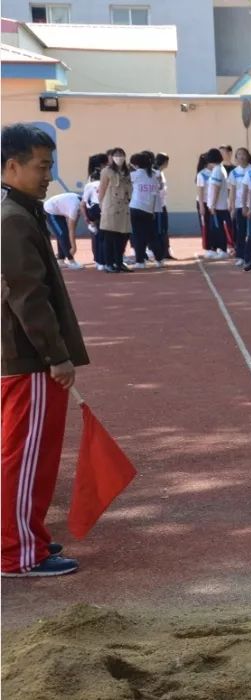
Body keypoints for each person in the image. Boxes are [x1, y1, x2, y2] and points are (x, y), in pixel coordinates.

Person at [1, 123, 88, 577]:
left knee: (25, 453)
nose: (47, 175)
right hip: (27, 356)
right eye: (40, 166)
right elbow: (27, 294)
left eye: (50, 165)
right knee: (26, 454)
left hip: (21, 354)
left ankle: (24, 534)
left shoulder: (20, 210)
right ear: (11, 166)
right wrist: (55, 355)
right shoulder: (13, 218)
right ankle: (16, 552)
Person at [96, 147, 133, 273]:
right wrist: (101, 206)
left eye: (121, 155)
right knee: (110, 237)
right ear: (111, 157)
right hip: (110, 207)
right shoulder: (107, 171)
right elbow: (102, 189)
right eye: (116, 155)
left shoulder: (127, 171)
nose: (119, 157)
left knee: (122, 237)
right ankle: (109, 263)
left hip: (124, 208)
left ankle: (119, 262)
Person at [128, 151, 163, 269]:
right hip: (148, 209)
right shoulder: (153, 176)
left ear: (136, 164)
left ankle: (140, 261)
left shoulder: (135, 175)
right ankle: (159, 259)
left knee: (138, 236)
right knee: (151, 236)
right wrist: (152, 211)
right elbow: (154, 195)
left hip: (135, 207)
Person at [204, 148, 233, 259]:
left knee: (217, 228)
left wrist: (212, 205)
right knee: (216, 228)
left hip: (218, 206)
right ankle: (216, 249)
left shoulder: (217, 170)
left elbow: (215, 188)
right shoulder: (219, 169)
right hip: (219, 205)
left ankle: (222, 249)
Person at [42, 192, 82, 270]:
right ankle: (71, 261)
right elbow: (71, 230)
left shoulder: (81, 204)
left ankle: (60, 260)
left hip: (59, 210)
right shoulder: (74, 208)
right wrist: (74, 247)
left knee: (63, 234)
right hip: (50, 210)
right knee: (62, 234)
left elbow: (73, 227)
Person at [229, 147, 251, 266]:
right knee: (241, 232)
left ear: (248, 156)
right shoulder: (233, 173)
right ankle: (241, 256)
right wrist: (232, 207)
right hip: (239, 205)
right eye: (239, 155)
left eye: (244, 154)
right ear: (236, 158)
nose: (241, 157)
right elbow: (232, 191)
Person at [82, 154, 107, 270]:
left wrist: (86, 217)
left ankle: (99, 260)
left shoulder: (90, 180)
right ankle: (102, 260)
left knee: (97, 235)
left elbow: (84, 202)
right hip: (101, 208)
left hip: (92, 210)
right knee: (103, 235)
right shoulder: (102, 180)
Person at [153, 153, 175, 260]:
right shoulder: (156, 174)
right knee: (160, 229)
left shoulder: (160, 173)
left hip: (162, 204)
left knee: (164, 228)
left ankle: (165, 251)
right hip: (158, 206)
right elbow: (159, 189)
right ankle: (160, 253)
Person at [195, 152, 213, 257]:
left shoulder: (215, 172)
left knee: (213, 226)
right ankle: (207, 248)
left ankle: (214, 247)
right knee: (205, 225)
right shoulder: (202, 174)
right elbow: (200, 191)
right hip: (204, 202)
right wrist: (202, 206)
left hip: (212, 203)